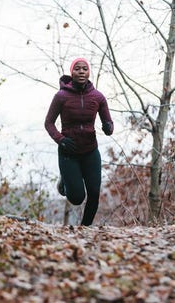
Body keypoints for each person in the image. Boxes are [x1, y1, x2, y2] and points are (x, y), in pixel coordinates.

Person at [44, 58, 114, 226]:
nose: (81, 71)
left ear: (89, 72)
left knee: (94, 194)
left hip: (90, 151)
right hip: (69, 152)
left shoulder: (98, 97)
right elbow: (49, 123)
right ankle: (65, 182)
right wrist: (61, 140)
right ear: (72, 72)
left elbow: (109, 125)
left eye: (84, 69)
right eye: (77, 69)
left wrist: (107, 127)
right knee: (76, 198)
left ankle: (85, 230)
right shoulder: (61, 96)